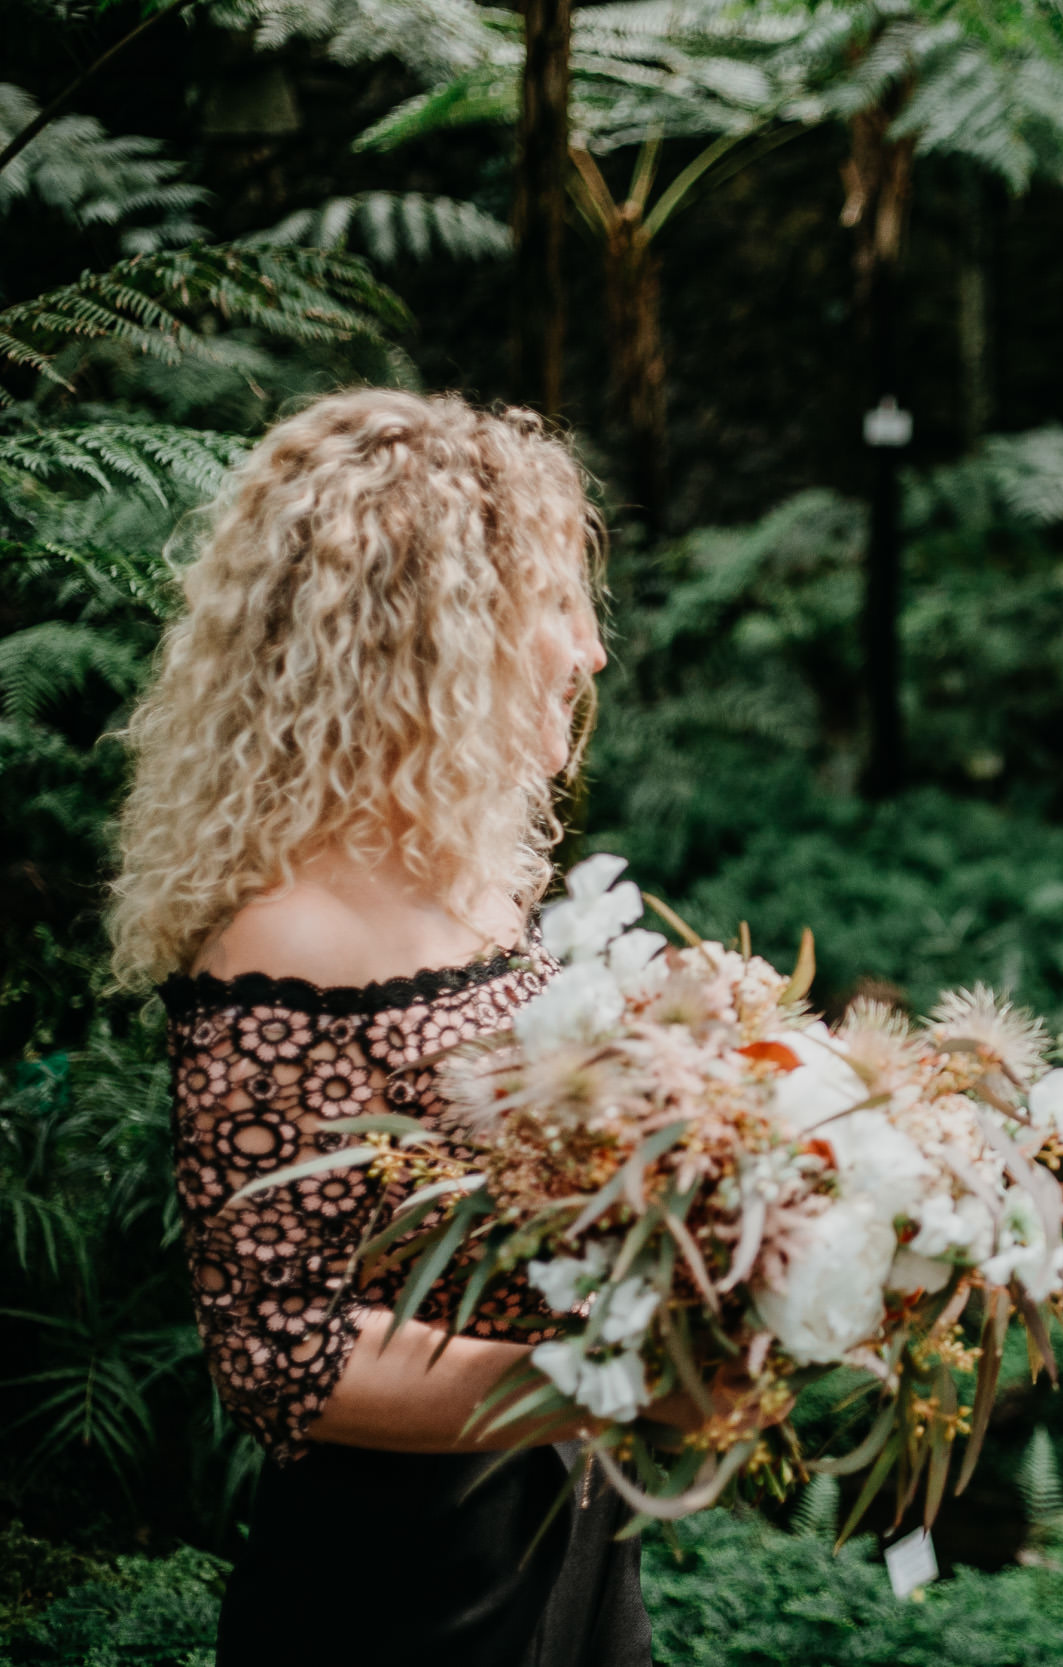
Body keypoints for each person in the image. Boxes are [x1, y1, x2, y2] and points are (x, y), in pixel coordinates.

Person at [111, 389, 651, 1666]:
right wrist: (606, 1380)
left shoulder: (471, 874)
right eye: (552, 602)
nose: (587, 649)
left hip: (563, 1517)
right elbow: (280, 1353)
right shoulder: (283, 937)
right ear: (429, 628)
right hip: (408, 1582)